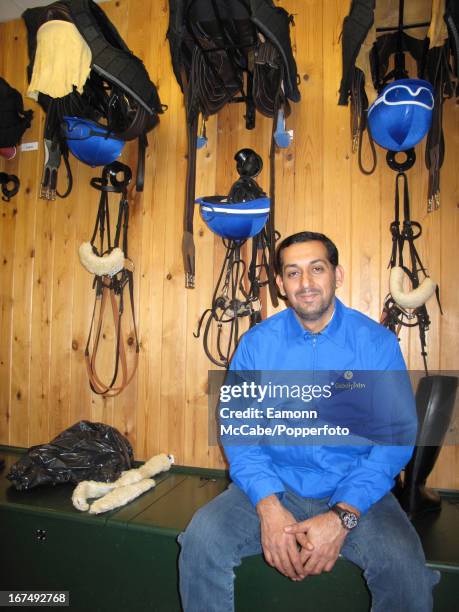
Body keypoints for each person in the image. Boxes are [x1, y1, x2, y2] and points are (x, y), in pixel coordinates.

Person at [178, 231, 439, 612]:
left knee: (407, 572)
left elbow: (394, 439)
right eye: (293, 273)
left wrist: (343, 515)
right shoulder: (256, 345)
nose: (306, 283)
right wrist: (267, 505)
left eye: (317, 269)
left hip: (357, 493)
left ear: (338, 274)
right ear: (281, 285)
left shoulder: (377, 345)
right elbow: (238, 431)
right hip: (274, 487)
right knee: (201, 539)